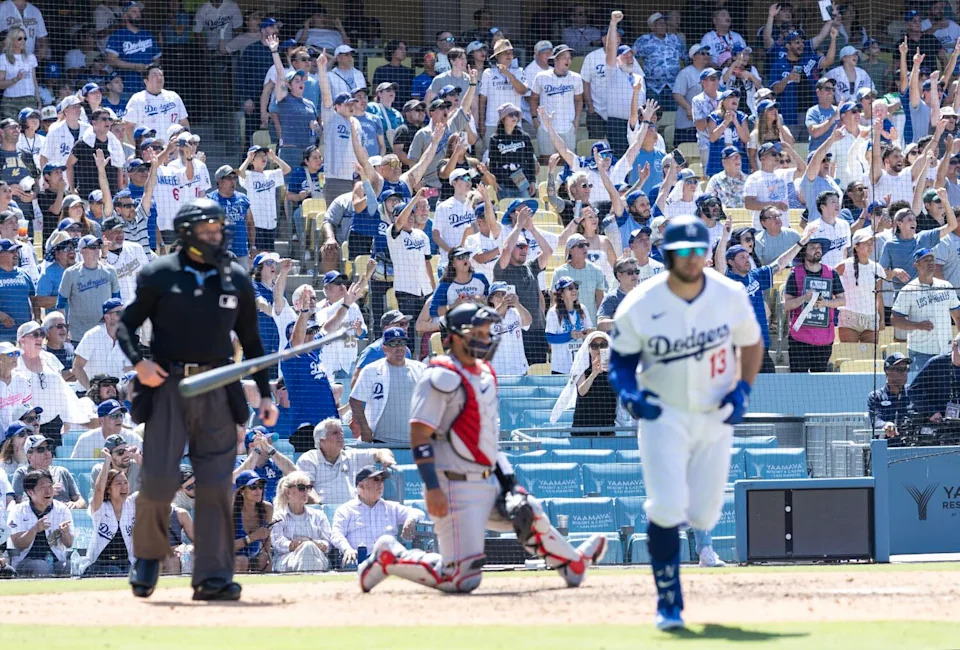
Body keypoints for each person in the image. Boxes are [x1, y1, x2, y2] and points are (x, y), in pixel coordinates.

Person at [358, 303, 606, 593]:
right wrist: (432, 487)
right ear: (456, 337)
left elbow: (487, 437)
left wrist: (509, 483)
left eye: (487, 331)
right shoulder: (439, 375)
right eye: (479, 332)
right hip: (452, 485)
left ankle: (572, 564)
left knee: (529, 512)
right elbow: (420, 434)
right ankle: (391, 557)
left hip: (487, 478)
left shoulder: (486, 372)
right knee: (462, 579)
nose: (487, 338)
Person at [116, 198, 277, 599]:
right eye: (206, 230)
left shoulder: (235, 277)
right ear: (186, 232)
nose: (215, 236)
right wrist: (140, 364)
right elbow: (127, 325)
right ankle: (149, 557)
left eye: (218, 229)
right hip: (169, 385)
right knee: (156, 480)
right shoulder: (158, 273)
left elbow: (253, 341)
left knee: (216, 485)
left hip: (218, 389)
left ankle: (212, 576)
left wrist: (267, 394)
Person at [608, 216, 763, 629]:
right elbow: (620, 360)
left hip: (715, 412)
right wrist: (630, 394)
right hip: (664, 412)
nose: (693, 259)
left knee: (704, 514)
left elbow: (752, 343)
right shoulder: (641, 301)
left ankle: (688, 556)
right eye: (683, 251)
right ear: (667, 253)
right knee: (666, 505)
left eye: (699, 250)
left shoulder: (729, 294)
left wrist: (743, 389)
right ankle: (669, 602)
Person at [718, 222, 818, 373]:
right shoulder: (727, 279)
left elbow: (781, 262)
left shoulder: (756, 276)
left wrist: (801, 242)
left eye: (747, 256)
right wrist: (724, 237)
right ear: (730, 262)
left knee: (770, 385)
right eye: (741, 257)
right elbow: (719, 264)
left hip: (760, 345)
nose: (746, 259)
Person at [331, 464, 423, 565]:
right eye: (376, 479)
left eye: (382, 480)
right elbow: (336, 534)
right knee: (350, 561)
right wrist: (347, 549)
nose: (381, 484)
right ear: (361, 485)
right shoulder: (345, 509)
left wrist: (411, 519)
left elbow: (418, 512)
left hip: (388, 559)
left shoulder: (391, 507)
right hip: (358, 559)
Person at [294, 418, 396, 506]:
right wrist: (322, 507)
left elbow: (381, 452)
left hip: (352, 515)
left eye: (341, 432)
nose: (341, 435)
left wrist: (387, 459)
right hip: (321, 514)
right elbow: (306, 489)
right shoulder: (308, 459)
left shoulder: (351, 455)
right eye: (335, 433)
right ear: (322, 441)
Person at [349, 327, 425, 444]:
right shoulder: (371, 370)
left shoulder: (421, 369)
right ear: (384, 348)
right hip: (381, 440)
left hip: (415, 440)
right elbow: (355, 400)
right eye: (393, 343)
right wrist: (364, 428)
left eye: (402, 343)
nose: (399, 348)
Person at [892, 248, 960, 374]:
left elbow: (958, 316)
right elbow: (895, 320)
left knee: (944, 391)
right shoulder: (908, 290)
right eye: (926, 260)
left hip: (946, 352)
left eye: (932, 260)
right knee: (922, 391)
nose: (930, 263)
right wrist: (917, 325)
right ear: (916, 264)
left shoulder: (946, 286)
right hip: (921, 352)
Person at [782, 238, 846, 372]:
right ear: (804, 252)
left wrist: (825, 303)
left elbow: (842, 300)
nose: (817, 249)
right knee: (798, 381)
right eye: (812, 247)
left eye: (819, 247)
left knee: (819, 381)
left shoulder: (831, 273)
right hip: (800, 338)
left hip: (824, 338)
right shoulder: (795, 273)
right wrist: (804, 298)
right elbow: (787, 305)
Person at [835, 229, 908, 343]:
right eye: (865, 243)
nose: (870, 246)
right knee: (850, 356)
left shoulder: (877, 268)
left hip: (871, 318)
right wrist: (835, 297)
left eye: (871, 243)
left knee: (869, 357)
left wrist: (882, 319)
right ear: (856, 246)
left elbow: (878, 296)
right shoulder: (845, 265)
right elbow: (830, 278)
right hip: (849, 317)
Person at [6, 468, 73, 576]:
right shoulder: (18, 511)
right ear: (30, 492)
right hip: (26, 561)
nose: (48, 491)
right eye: (43, 487)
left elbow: (69, 543)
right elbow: (19, 545)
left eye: (50, 486)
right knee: (42, 567)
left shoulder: (62, 509)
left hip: (55, 559)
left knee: (69, 567)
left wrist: (65, 532)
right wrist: (35, 529)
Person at [81, 448, 136, 576]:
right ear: (109, 489)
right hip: (99, 564)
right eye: (118, 484)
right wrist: (107, 461)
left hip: (125, 563)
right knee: (117, 573)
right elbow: (99, 489)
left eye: (125, 483)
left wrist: (140, 460)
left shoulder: (132, 504)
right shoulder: (100, 507)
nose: (124, 487)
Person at [270, 471, 333, 573]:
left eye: (308, 488)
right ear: (288, 492)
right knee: (309, 554)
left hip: (318, 555)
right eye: (301, 488)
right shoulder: (278, 516)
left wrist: (310, 543)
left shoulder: (319, 516)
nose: (306, 492)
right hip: (288, 559)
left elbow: (328, 544)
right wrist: (293, 545)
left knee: (308, 548)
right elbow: (278, 543)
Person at [72, 298, 132, 390]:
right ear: (107, 317)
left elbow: (129, 370)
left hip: (114, 396)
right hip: (86, 393)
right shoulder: (92, 335)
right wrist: (91, 391)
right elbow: (77, 367)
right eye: (119, 313)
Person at [545, 275, 594, 375]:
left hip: (581, 366)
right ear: (561, 294)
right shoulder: (553, 312)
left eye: (576, 287)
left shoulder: (582, 309)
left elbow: (590, 331)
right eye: (570, 288)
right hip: (561, 367)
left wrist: (587, 334)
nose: (574, 290)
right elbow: (549, 337)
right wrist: (569, 336)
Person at [908, 331, 960, 423]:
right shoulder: (936, 363)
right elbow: (913, 390)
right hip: (934, 421)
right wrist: (931, 411)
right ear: (954, 346)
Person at [233, 428, 296, 503]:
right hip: (249, 511)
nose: (270, 445)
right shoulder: (239, 462)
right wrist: (257, 450)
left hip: (275, 510)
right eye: (266, 442)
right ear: (252, 445)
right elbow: (236, 479)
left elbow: (294, 474)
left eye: (270, 442)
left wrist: (270, 450)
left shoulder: (276, 463)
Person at [867, 352, 913, 442]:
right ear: (887, 371)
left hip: (910, 446)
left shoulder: (913, 393)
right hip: (886, 447)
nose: (904, 373)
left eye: (906, 369)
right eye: (900, 369)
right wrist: (886, 424)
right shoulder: (876, 396)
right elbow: (876, 421)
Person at [0, 237, 34, 343]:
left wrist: (37, 318)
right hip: (3, 336)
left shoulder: (23, 274)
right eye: (12, 251)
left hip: (24, 334)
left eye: (16, 251)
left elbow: (34, 298)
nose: (16, 254)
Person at [598, 257, 642, 332]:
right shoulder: (612, 298)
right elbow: (601, 325)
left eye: (636, 272)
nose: (635, 275)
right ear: (619, 275)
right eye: (630, 272)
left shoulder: (643, 295)